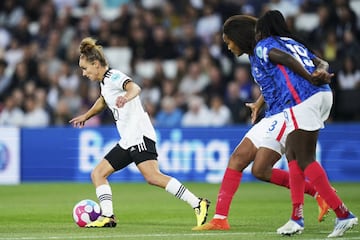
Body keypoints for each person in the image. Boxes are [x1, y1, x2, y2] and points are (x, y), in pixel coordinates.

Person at [193, 15, 331, 231]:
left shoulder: (266, 48)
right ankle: (221, 219)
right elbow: (275, 81)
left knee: (247, 161)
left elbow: (296, 65)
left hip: (287, 112)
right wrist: (259, 103)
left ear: (240, 37)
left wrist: (312, 73)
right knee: (257, 169)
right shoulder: (254, 55)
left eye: (229, 41)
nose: (228, 47)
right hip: (272, 114)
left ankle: (318, 197)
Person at [69, 37, 210, 228]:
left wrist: (126, 97)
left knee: (153, 177)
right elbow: (103, 101)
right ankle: (108, 216)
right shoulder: (104, 83)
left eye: (85, 68)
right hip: (128, 139)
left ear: (95, 64)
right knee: (98, 174)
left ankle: (197, 203)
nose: (83, 73)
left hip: (139, 134)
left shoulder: (113, 76)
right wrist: (86, 115)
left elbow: (135, 87)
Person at [253, 10, 357, 237]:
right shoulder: (293, 42)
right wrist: (319, 71)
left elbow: (285, 60)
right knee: (292, 154)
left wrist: (310, 78)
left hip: (303, 98)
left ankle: (343, 213)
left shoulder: (264, 45)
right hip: (322, 94)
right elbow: (322, 61)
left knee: (305, 158)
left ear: (263, 29)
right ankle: (296, 218)